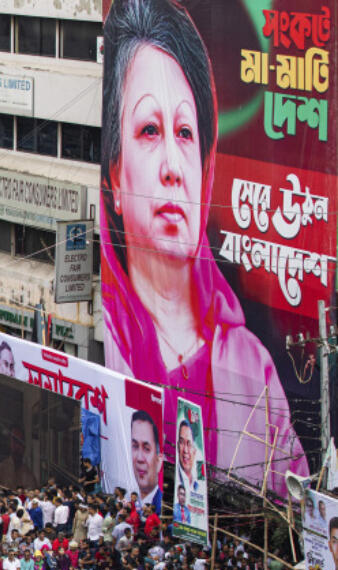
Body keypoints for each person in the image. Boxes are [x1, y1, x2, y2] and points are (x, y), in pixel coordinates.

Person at [99, 0, 307, 498]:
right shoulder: (109, 342)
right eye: (150, 131)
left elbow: (296, 502)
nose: (173, 164)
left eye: (186, 133)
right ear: (115, 175)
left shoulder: (253, 367)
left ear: (206, 168)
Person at [130, 409, 163, 514]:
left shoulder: (160, 505)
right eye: (135, 446)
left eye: (146, 449)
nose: (139, 458)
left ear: (159, 460)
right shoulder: (130, 497)